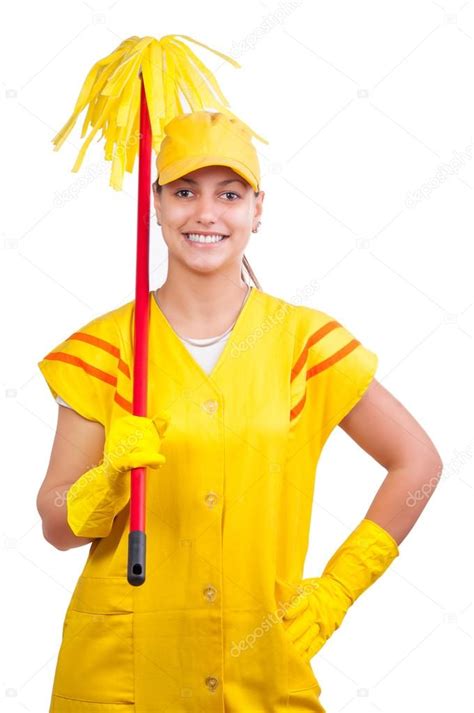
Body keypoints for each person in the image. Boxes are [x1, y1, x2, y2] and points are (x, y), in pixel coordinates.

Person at [36, 110, 443, 713]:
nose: (206, 213)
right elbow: (55, 526)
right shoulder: (105, 350)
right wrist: (107, 482)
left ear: (257, 209)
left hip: (262, 667)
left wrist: (337, 589)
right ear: (155, 204)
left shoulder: (304, 343)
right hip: (120, 678)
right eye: (184, 191)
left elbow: (419, 463)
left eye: (229, 194)